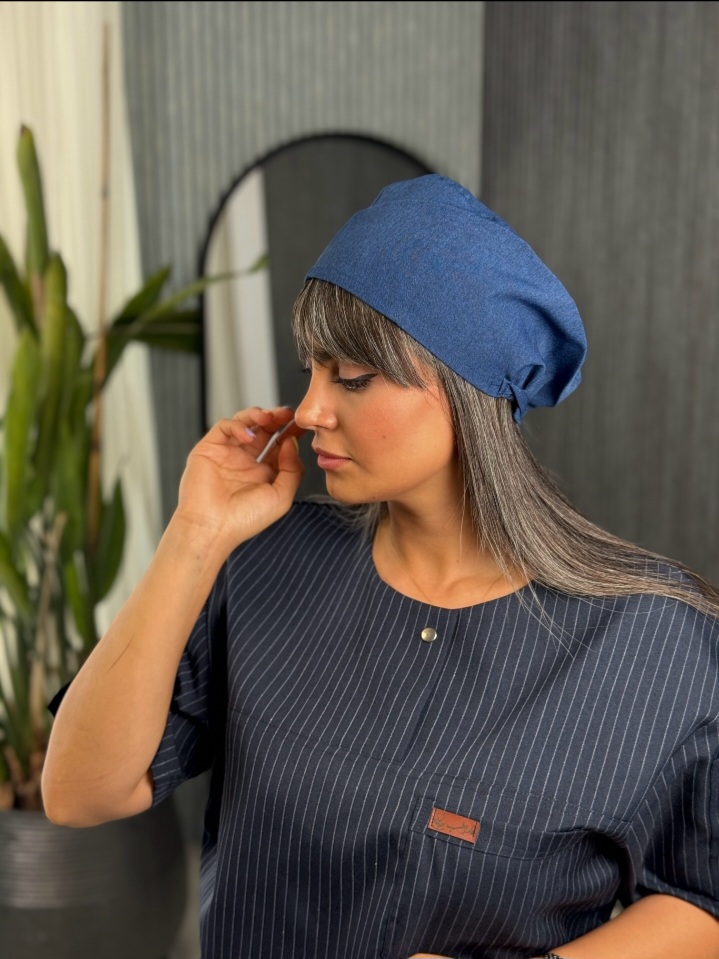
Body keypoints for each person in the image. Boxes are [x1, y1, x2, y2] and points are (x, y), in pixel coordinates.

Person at [42, 175, 719, 959]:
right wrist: (194, 533)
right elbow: (79, 791)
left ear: (464, 388)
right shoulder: (262, 565)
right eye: (310, 368)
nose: (308, 410)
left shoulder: (654, 639)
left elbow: (701, 900)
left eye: (352, 377)